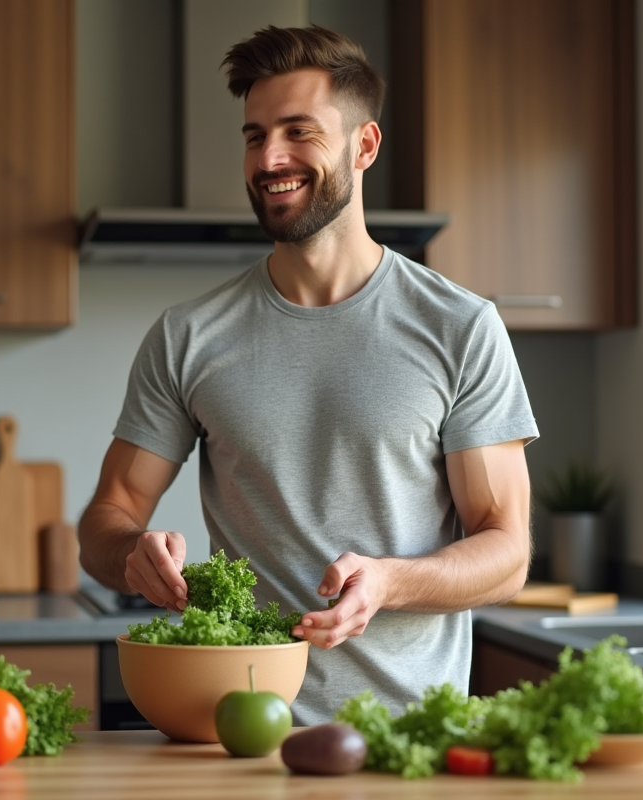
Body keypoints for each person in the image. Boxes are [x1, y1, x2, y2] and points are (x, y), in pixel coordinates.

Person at [78, 24, 538, 724]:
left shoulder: (460, 326)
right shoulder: (188, 336)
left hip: (404, 739)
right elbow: (105, 518)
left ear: (365, 145)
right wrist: (130, 553)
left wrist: (390, 583)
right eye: (255, 135)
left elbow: (506, 553)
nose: (270, 158)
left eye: (299, 132)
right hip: (238, 733)